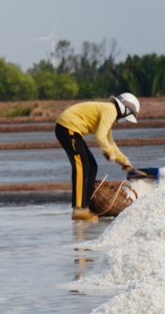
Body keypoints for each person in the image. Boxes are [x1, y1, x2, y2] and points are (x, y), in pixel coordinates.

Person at [55, 93, 140, 221]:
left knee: (92, 166)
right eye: (128, 116)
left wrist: (124, 161)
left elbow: (110, 142)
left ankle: (86, 205)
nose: (124, 120)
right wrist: (110, 154)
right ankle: (79, 209)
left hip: (71, 129)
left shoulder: (109, 112)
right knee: (81, 166)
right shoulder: (110, 110)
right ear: (125, 110)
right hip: (67, 127)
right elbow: (100, 137)